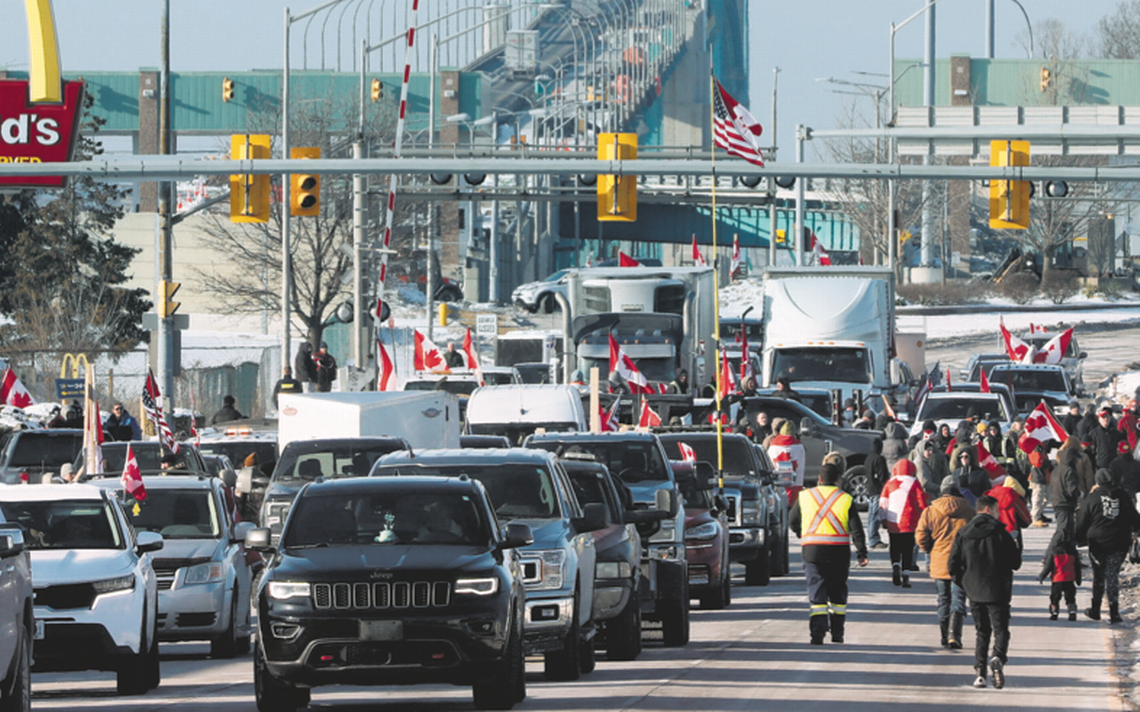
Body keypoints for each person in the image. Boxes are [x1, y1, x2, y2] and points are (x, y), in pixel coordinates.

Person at [787, 463, 868, 645]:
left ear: (819, 479)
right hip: (838, 552)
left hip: (812, 551)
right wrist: (861, 552)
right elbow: (856, 529)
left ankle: (817, 634)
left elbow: (792, 520)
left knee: (817, 593)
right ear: (838, 480)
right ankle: (837, 633)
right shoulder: (846, 499)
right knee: (837, 593)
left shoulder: (805, 496)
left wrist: (802, 533)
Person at [948, 493, 1022, 690]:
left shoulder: (963, 533)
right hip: (998, 589)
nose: (999, 515)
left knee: (982, 631)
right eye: (997, 511)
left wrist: (964, 582)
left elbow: (952, 564)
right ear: (988, 509)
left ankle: (980, 673)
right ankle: (997, 657)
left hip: (974, 589)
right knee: (1001, 629)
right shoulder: (1000, 533)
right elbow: (1016, 563)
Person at [917, 474, 976, 649]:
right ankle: (954, 635)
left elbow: (921, 535)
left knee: (943, 599)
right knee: (958, 598)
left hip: (940, 561)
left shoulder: (931, 510)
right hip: (962, 562)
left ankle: (944, 636)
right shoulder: (969, 511)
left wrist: (930, 550)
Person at [1075, 468, 1140, 623]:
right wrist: (1135, 532)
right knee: (1112, 574)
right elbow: (1135, 517)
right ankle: (1114, 612)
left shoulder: (1091, 498)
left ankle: (1095, 609)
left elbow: (1082, 521)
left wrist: (1079, 538)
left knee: (1099, 575)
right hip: (1120, 541)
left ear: (1097, 481)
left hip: (1098, 542)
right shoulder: (1123, 495)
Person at [879, 459, 930, 588]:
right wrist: (926, 516)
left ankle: (895, 565)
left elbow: (883, 502)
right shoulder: (915, 482)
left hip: (893, 521)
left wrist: (883, 519)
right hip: (910, 521)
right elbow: (921, 502)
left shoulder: (890, 483)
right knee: (908, 549)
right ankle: (906, 575)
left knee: (895, 547)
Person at [1038, 526, 1081, 622]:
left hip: (1057, 579)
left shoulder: (1054, 552)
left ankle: (1054, 613)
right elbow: (1077, 567)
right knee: (1070, 597)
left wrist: (1042, 576)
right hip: (1070, 578)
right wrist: (1078, 579)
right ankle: (1072, 612)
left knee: (1055, 597)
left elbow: (1048, 566)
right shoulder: (1073, 552)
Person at [984, 476, 1032, 551]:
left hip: (992, 530)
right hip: (1011, 531)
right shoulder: (1015, 497)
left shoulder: (990, 494)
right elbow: (1025, 519)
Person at [768, 420, 806, 507]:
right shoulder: (799, 446)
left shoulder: (773, 445)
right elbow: (800, 468)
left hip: (777, 484)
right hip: (794, 485)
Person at [860, 438, 890, 550]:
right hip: (878, 489)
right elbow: (882, 476)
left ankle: (873, 537)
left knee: (872, 514)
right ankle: (873, 539)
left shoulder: (868, 458)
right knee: (875, 515)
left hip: (871, 488)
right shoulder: (879, 459)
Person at [1052, 445, 1083, 541]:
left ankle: (1070, 552)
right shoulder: (1069, 471)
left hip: (1057, 501)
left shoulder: (1056, 470)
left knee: (1068, 531)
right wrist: (1080, 494)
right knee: (1063, 530)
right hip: (1065, 504)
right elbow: (1072, 490)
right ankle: (1051, 552)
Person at [1089, 405, 1123, 471]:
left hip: (1114, 466)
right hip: (1100, 466)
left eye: (1107, 417)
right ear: (1099, 419)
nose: (1106, 419)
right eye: (1103, 417)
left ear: (1110, 418)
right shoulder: (1094, 433)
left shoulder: (1116, 433)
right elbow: (1090, 451)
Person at [1028, 446, 1054, 527]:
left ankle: (1035, 514)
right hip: (1038, 477)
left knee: (1047, 498)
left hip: (1046, 477)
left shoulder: (1043, 449)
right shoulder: (1035, 449)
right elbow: (1038, 463)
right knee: (1038, 498)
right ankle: (1035, 518)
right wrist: (1051, 462)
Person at [1109, 440, 1140, 507]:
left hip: (1119, 495)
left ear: (1118, 450)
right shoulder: (1137, 464)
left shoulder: (1114, 464)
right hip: (1133, 494)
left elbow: (1113, 481)